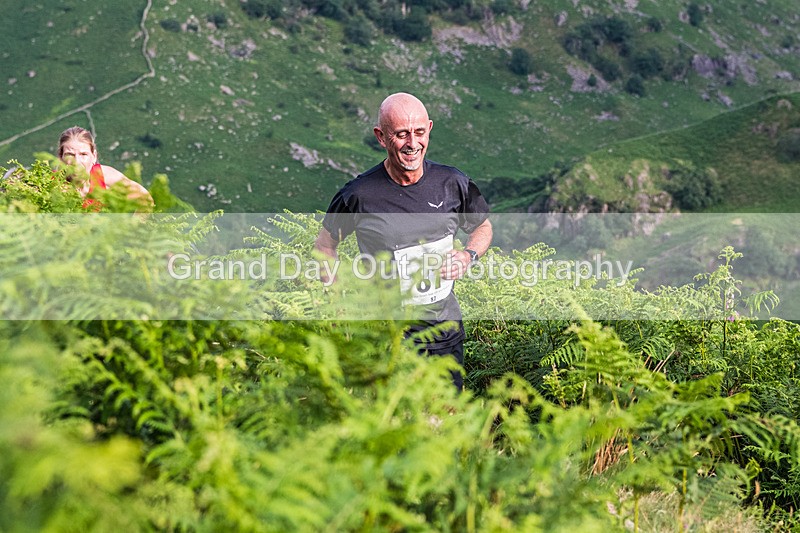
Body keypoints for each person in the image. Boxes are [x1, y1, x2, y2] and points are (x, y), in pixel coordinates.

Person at [315, 92, 492, 391]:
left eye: (419, 132)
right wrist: (336, 305)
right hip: (386, 337)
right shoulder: (358, 195)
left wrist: (468, 255)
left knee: (445, 422)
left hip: (444, 332)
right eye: (401, 134)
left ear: (429, 130)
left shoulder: (453, 183)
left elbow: (483, 227)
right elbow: (324, 247)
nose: (412, 143)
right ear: (381, 137)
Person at [57, 126, 153, 209]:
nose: (77, 162)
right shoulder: (50, 184)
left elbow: (144, 199)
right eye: (70, 155)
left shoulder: (105, 176)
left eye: (83, 154)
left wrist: (135, 226)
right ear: (60, 157)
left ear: (94, 156)